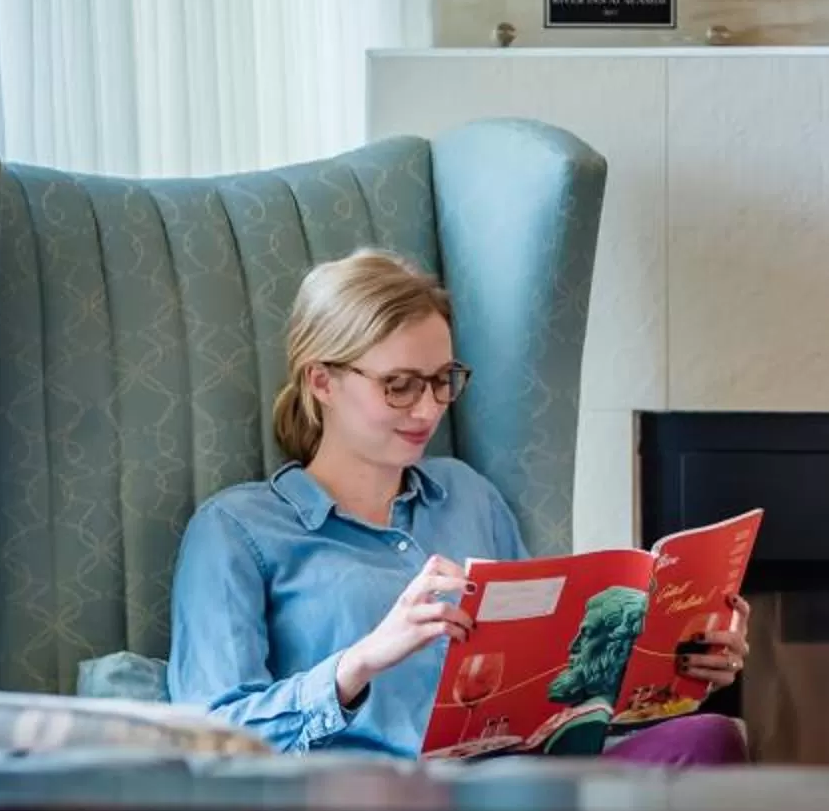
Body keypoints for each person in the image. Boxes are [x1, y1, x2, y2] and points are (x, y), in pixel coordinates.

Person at [167, 248, 751, 764]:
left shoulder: (467, 494)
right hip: (381, 802)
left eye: (442, 380)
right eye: (399, 385)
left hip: (522, 774)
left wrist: (672, 663)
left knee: (709, 738)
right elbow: (209, 734)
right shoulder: (238, 530)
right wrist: (362, 661)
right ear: (322, 381)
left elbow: (551, 681)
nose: (427, 410)